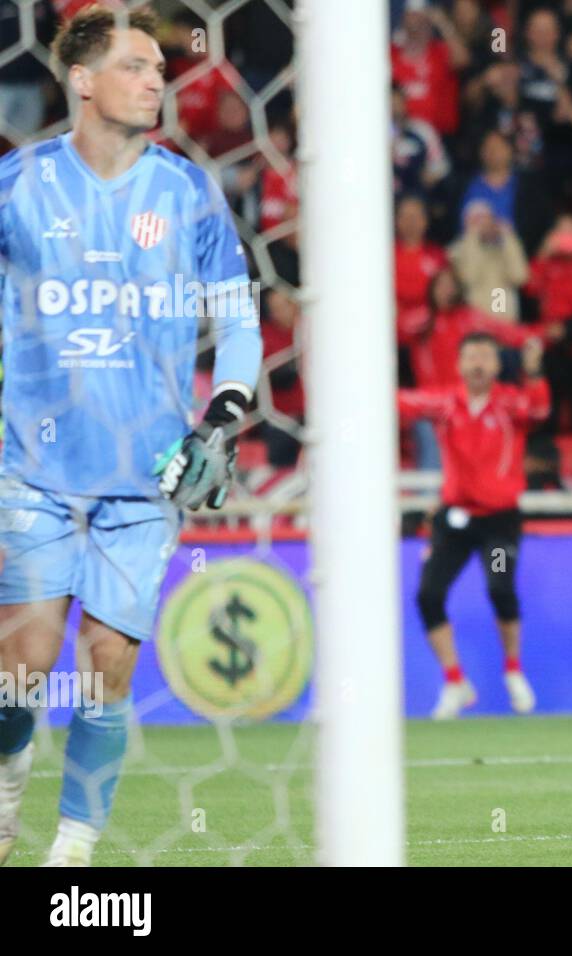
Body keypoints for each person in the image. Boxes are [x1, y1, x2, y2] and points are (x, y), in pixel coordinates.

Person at [0, 5, 261, 866]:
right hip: (33, 467)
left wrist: (224, 408)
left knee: (106, 659)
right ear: (81, 79)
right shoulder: (18, 185)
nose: (158, 80)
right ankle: (8, 776)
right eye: (138, 65)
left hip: (147, 472)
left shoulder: (187, 190)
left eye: (160, 67)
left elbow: (237, 313)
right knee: (22, 663)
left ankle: (71, 852)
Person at [397, 334, 550, 720]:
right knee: (428, 596)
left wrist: (534, 370)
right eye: (470, 356)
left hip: (498, 522)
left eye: (486, 356)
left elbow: (540, 409)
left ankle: (513, 670)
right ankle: (454, 680)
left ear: (498, 366)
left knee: (499, 587)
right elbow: (400, 402)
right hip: (454, 519)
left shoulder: (512, 403)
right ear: (459, 364)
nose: (478, 363)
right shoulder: (445, 402)